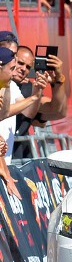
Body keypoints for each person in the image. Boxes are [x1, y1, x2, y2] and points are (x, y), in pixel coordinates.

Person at [11, 46, 68, 160]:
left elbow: (58, 111)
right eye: (20, 63)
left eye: (28, 67)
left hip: (19, 159)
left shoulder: (29, 89)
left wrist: (58, 81)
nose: (23, 69)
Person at [0, 47, 21, 198]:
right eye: (12, 69)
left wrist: (6, 173)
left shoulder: (4, 85)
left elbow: (4, 113)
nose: (15, 73)